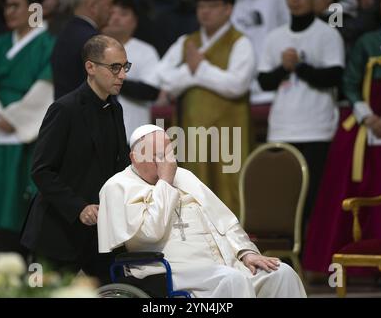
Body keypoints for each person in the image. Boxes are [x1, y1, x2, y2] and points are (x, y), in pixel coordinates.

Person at [98, 124, 307, 298]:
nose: (167, 164)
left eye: (168, 155)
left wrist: (246, 252)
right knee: (232, 281)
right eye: (158, 157)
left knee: (281, 274)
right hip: (171, 270)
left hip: (222, 264)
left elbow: (224, 221)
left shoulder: (184, 175)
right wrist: (165, 183)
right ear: (134, 157)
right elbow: (150, 233)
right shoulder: (117, 186)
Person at [303, 0, 381, 274]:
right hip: (366, 128)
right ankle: (358, 266)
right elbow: (350, 82)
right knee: (353, 188)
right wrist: (367, 116)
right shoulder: (366, 41)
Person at [21, 35, 130, 284]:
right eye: (115, 67)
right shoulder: (64, 109)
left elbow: (119, 166)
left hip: (100, 233)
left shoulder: (115, 109)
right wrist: (78, 208)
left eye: (125, 67)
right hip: (57, 231)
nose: (122, 75)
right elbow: (41, 171)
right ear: (90, 67)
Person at [148, 0, 255, 216]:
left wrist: (200, 69)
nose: (205, 12)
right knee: (191, 189)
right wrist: (192, 72)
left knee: (228, 188)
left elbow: (237, 84)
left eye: (212, 6)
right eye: (201, 6)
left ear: (228, 9)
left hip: (228, 134)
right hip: (191, 132)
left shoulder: (240, 42)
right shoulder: (187, 42)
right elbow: (161, 79)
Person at [0, 0, 54, 253]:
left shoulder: (49, 44)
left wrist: (16, 118)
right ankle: (3, 253)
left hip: (30, 126)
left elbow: (47, 86)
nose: (9, 12)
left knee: (25, 189)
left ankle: (31, 258)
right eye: (6, 7)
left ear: (34, 9)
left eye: (16, 5)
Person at [258, 0, 345, 234]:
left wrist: (298, 66)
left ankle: (311, 258)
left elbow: (334, 76)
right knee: (283, 198)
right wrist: (284, 68)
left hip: (317, 128)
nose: (295, 1)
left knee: (314, 200)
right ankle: (286, 256)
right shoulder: (275, 37)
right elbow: (264, 82)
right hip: (282, 128)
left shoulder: (327, 34)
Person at [102, 0, 160, 142]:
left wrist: (111, 78)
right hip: (95, 136)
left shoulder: (146, 51)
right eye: (111, 13)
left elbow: (150, 91)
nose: (115, 17)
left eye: (123, 14)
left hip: (133, 135)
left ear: (135, 21)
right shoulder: (90, 49)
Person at [231, 0, 290, 104]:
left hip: (271, 89)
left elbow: (289, 32)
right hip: (237, 91)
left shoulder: (277, 2)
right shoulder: (228, 3)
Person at [51, 0, 112, 99]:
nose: (111, 11)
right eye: (109, 5)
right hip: (88, 112)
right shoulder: (94, 40)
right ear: (93, 6)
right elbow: (102, 87)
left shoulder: (64, 31)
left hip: (63, 109)